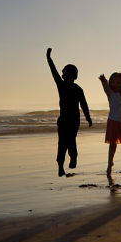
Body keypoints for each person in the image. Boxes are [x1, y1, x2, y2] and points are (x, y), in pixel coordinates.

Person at [46, 48, 92, 177]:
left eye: (64, 73)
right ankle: (62, 165)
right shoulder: (66, 86)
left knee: (66, 142)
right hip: (66, 120)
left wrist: (88, 118)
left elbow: (84, 104)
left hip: (71, 120)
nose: (62, 74)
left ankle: (70, 159)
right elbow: (84, 105)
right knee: (66, 142)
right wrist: (49, 59)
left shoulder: (74, 88)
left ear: (68, 75)